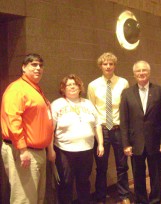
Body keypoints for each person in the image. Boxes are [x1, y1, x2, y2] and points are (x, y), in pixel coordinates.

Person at [1, 53, 54, 204]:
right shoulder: (17, 88)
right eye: (34, 64)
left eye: (40, 65)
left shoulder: (34, 89)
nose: (38, 68)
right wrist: (23, 150)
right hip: (24, 152)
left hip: (37, 151)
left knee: (37, 198)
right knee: (23, 199)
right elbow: (13, 119)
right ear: (23, 67)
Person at [120, 60, 161, 204]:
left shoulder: (160, 91)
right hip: (135, 143)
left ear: (149, 72)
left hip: (155, 142)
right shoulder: (127, 93)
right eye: (138, 71)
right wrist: (126, 144)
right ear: (134, 74)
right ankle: (141, 200)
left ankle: (155, 200)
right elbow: (124, 121)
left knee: (156, 175)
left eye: (144, 70)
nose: (141, 73)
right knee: (137, 175)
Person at [50, 74, 104, 204]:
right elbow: (50, 129)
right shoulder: (57, 104)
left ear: (80, 87)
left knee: (84, 182)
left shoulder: (88, 103)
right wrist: (50, 149)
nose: (72, 87)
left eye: (75, 84)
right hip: (64, 151)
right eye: (69, 85)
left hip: (86, 150)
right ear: (63, 89)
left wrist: (100, 144)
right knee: (65, 183)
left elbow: (97, 124)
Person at [87, 52, 131, 204]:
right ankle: (100, 196)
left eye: (111, 64)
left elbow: (126, 107)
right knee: (101, 167)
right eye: (105, 64)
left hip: (119, 128)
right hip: (102, 130)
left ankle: (124, 195)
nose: (108, 66)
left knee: (122, 165)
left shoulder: (123, 83)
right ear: (100, 66)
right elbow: (91, 109)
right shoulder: (93, 85)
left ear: (115, 66)